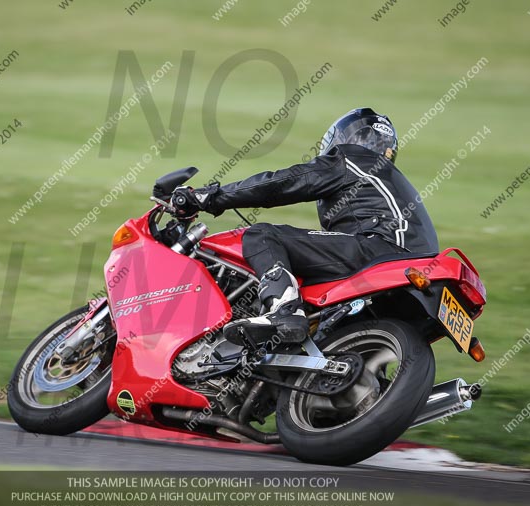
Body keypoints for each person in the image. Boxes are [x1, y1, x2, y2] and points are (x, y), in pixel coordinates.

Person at [170, 108, 439, 345]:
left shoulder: (352, 159)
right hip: (414, 270)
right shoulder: (390, 179)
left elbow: (282, 184)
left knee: (262, 235)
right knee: (327, 335)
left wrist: (210, 197)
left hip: (381, 252)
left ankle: (284, 311)